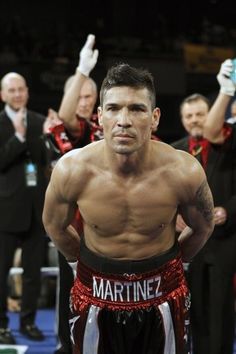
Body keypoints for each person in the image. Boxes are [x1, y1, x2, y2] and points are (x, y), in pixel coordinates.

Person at [43, 63, 214, 354]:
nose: (124, 120)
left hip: (164, 296)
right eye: (113, 108)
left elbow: (203, 226)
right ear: (100, 115)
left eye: (136, 109)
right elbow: (55, 225)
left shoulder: (183, 170)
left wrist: (172, 266)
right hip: (94, 294)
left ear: (155, 117)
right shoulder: (73, 169)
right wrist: (83, 264)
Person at [44, 34, 99, 354]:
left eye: (91, 95)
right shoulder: (61, 127)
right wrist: (81, 71)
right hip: (73, 228)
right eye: (80, 94)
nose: (86, 100)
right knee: (71, 290)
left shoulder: (104, 124)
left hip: (105, 224)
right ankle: (69, 346)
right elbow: (66, 120)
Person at [172, 92, 236, 354]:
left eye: (200, 114)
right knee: (194, 305)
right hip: (190, 242)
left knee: (221, 306)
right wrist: (172, 216)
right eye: (189, 116)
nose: (195, 120)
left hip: (225, 240)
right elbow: (165, 193)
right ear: (182, 120)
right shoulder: (174, 150)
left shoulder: (229, 146)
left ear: (210, 115)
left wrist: (229, 211)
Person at [0, 72, 48, 344]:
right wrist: (17, 138)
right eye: (12, 90)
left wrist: (48, 136)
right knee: (1, 272)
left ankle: (28, 322)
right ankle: (1, 325)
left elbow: (45, 159)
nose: (17, 94)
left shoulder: (41, 122)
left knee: (33, 274)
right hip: (5, 212)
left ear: (27, 91)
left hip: (35, 210)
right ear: (3, 95)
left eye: (21, 89)